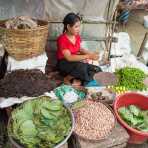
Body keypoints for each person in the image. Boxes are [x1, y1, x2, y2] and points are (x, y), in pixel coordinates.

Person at [56, 12, 102, 86]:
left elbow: (79, 49)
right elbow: (69, 58)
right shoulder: (62, 39)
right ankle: (67, 79)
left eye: (79, 26)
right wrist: (88, 56)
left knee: (97, 69)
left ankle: (78, 81)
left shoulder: (77, 36)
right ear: (68, 26)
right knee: (82, 67)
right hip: (64, 64)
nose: (78, 29)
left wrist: (90, 54)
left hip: (76, 64)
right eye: (76, 27)